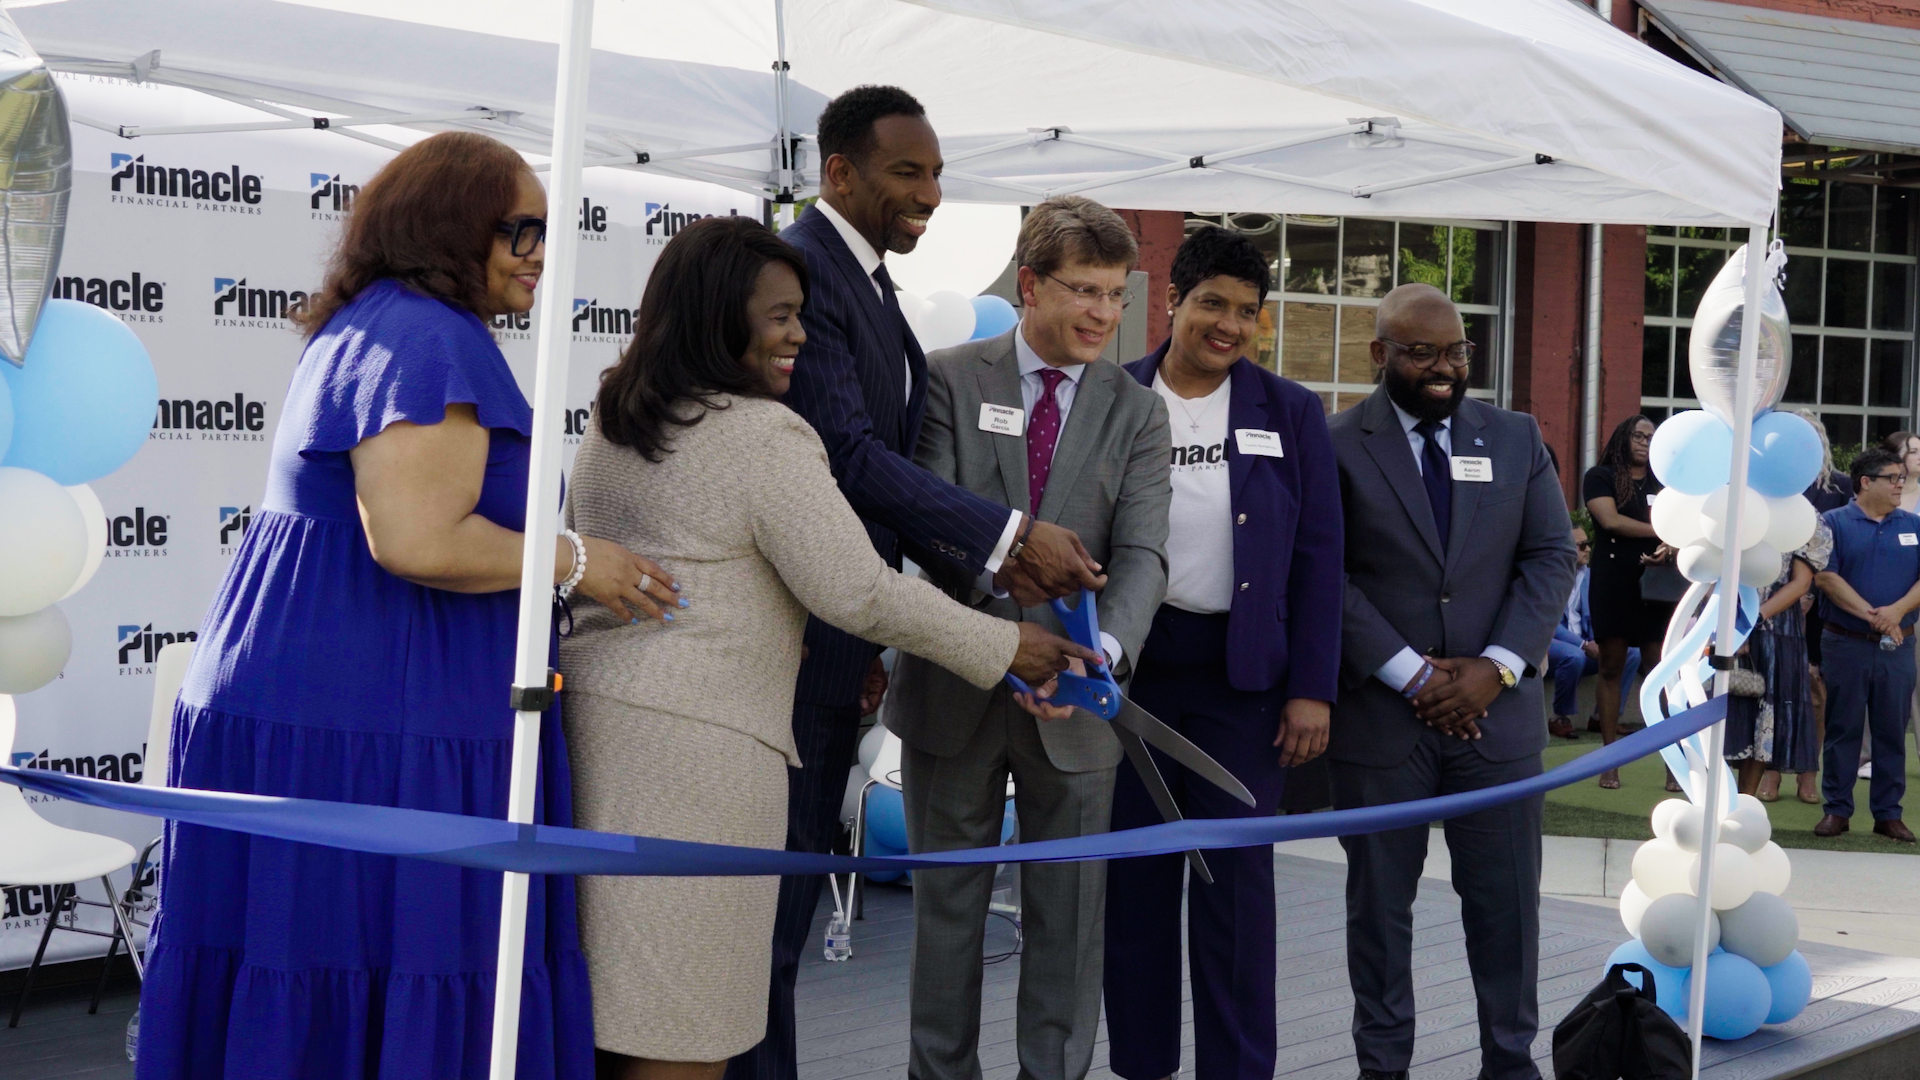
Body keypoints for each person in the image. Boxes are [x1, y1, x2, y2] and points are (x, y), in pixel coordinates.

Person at [136, 133, 683, 1080]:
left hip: (339, 705)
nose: (540, 255)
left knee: (320, 972)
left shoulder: (377, 322)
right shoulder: (426, 335)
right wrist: (576, 561)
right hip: (372, 721)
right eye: (520, 231)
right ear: (450, 227)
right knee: (399, 966)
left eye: (547, 233)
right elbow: (418, 539)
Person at [557, 216, 1096, 1080]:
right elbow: (859, 591)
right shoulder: (763, 435)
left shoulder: (614, 420)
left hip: (596, 743)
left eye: (800, 313)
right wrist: (1004, 646)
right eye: (779, 316)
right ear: (714, 316)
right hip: (704, 762)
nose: (799, 335)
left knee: (612, 1011)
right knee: (686, 1027)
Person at [729, 86, 1104, 1080]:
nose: (931, 193)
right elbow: (847, 460)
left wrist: (998, 595)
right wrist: (1010, 536)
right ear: (840, 172)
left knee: (785, 928)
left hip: (842, 649)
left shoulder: (874, 288)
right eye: (909, 171)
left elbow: (893, 495)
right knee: (765, 933)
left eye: (938, 173)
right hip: (789, 647)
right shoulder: (803, 275)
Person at [884, 195, 1171, 1080]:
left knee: (1069, 929)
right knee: (946, 924)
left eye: (1117, 297)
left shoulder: (1138, 411)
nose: (1102, 315)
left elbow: (1146, 559)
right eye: (1083, 291)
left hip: (1079, 708)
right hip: (956, 689)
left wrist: (1099, 659)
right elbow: (926, 523)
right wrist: (1003, 644)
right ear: (1029, 283)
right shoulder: (947, 377)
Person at [1102, 226, 1343, 1080]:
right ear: (1174, 300)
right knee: (1133, 888)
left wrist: (1312, 688)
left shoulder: (1291, 411)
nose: (1229, 326)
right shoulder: (1114, 395)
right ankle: (1141, 1065)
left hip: (1244, 681)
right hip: (1129, 677)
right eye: (1213, 304)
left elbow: (1320, 557)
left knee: (1234, 894)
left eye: (1248, 311)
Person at [1327, 282, 1575, 1080]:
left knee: (1508, 912)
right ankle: (1383, 1066)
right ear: (1380, 354)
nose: (1444, 368)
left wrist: (1497, 669)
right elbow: (1322, 575)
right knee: (1378, 913)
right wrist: (1410, 675)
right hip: (1381, 721)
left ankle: (1509, 1062)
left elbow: (1549, 556)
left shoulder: (1515, 435)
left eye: (1458, 351)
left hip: (1497, 724)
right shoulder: (1331, 443)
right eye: (1422, 352)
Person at [1812, 446, 1920, 844]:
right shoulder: (1832, 523)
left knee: (1893, 731)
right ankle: (1837, 810)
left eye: (1901, 477)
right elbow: (1826, 578)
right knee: (1843, 728)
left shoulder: (1914, 524)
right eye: (1892, 477)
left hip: (1899, 645)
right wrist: (1875, 616)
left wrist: (1895, 612)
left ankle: (1888, 814)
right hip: (1846, 643)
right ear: (1865, 482)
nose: (1900, 484)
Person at [1582, 415, 1674, 790]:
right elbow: (1610, 521)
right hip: (1615, 582)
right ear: (1623, 438)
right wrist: (1663, 531)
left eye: (1652, 437)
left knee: (1659, 670)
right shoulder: (1600, 476)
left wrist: (1670, 545)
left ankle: (1674, 764)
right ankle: (1610, 760)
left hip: (1657, 584)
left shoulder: (1665, 483)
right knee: (1611, 667)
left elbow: (1681, 525)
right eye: (1638, 435)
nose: (1644, 442)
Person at [1726, 518, 1828, 801]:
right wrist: (1729, 623)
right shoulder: (1733, 504)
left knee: (1763, 718)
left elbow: (1801, 583)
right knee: (1719, 713)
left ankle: (1743, 804)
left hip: (1775, 630)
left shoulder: (1805, 517)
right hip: (1723, 616)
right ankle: (1712, 807)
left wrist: (1749, 622)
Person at [1546, 526, 1638, 740]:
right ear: (1565, 548)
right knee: (1573, 656)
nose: (1588, 549)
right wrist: (1583, 645)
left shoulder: (1590, 576)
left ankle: (1603, 717)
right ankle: (1559, 717)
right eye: (1582, 545)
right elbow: (1550, 623)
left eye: (1588, 544)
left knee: (1631, 653)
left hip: (1587, 644)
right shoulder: (1550, 576)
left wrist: (1603, 641)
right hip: (1552, 645)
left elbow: (1602, 613)